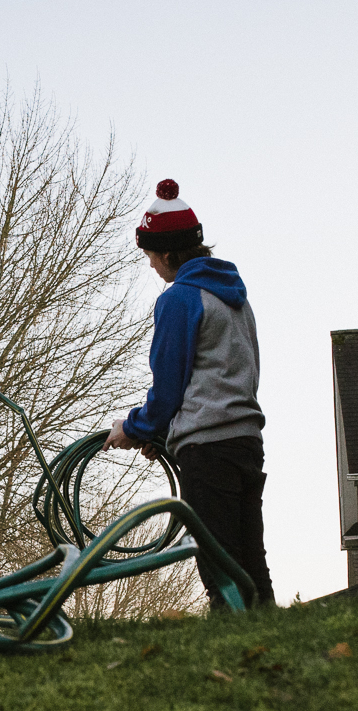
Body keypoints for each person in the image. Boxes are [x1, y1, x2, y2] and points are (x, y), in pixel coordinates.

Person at [105, 179, 274, 609]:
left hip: (206, 446)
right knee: (249, 553)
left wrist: (135, 427)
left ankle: (234, 639)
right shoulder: (235, 297)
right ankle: (268, 629)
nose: (150, 266)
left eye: (150, 256)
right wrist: (163, 434)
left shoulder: (179, 299)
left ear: (167, 253)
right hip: (245, 440)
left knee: (217, 557)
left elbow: (169, 385)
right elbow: (229, 373)